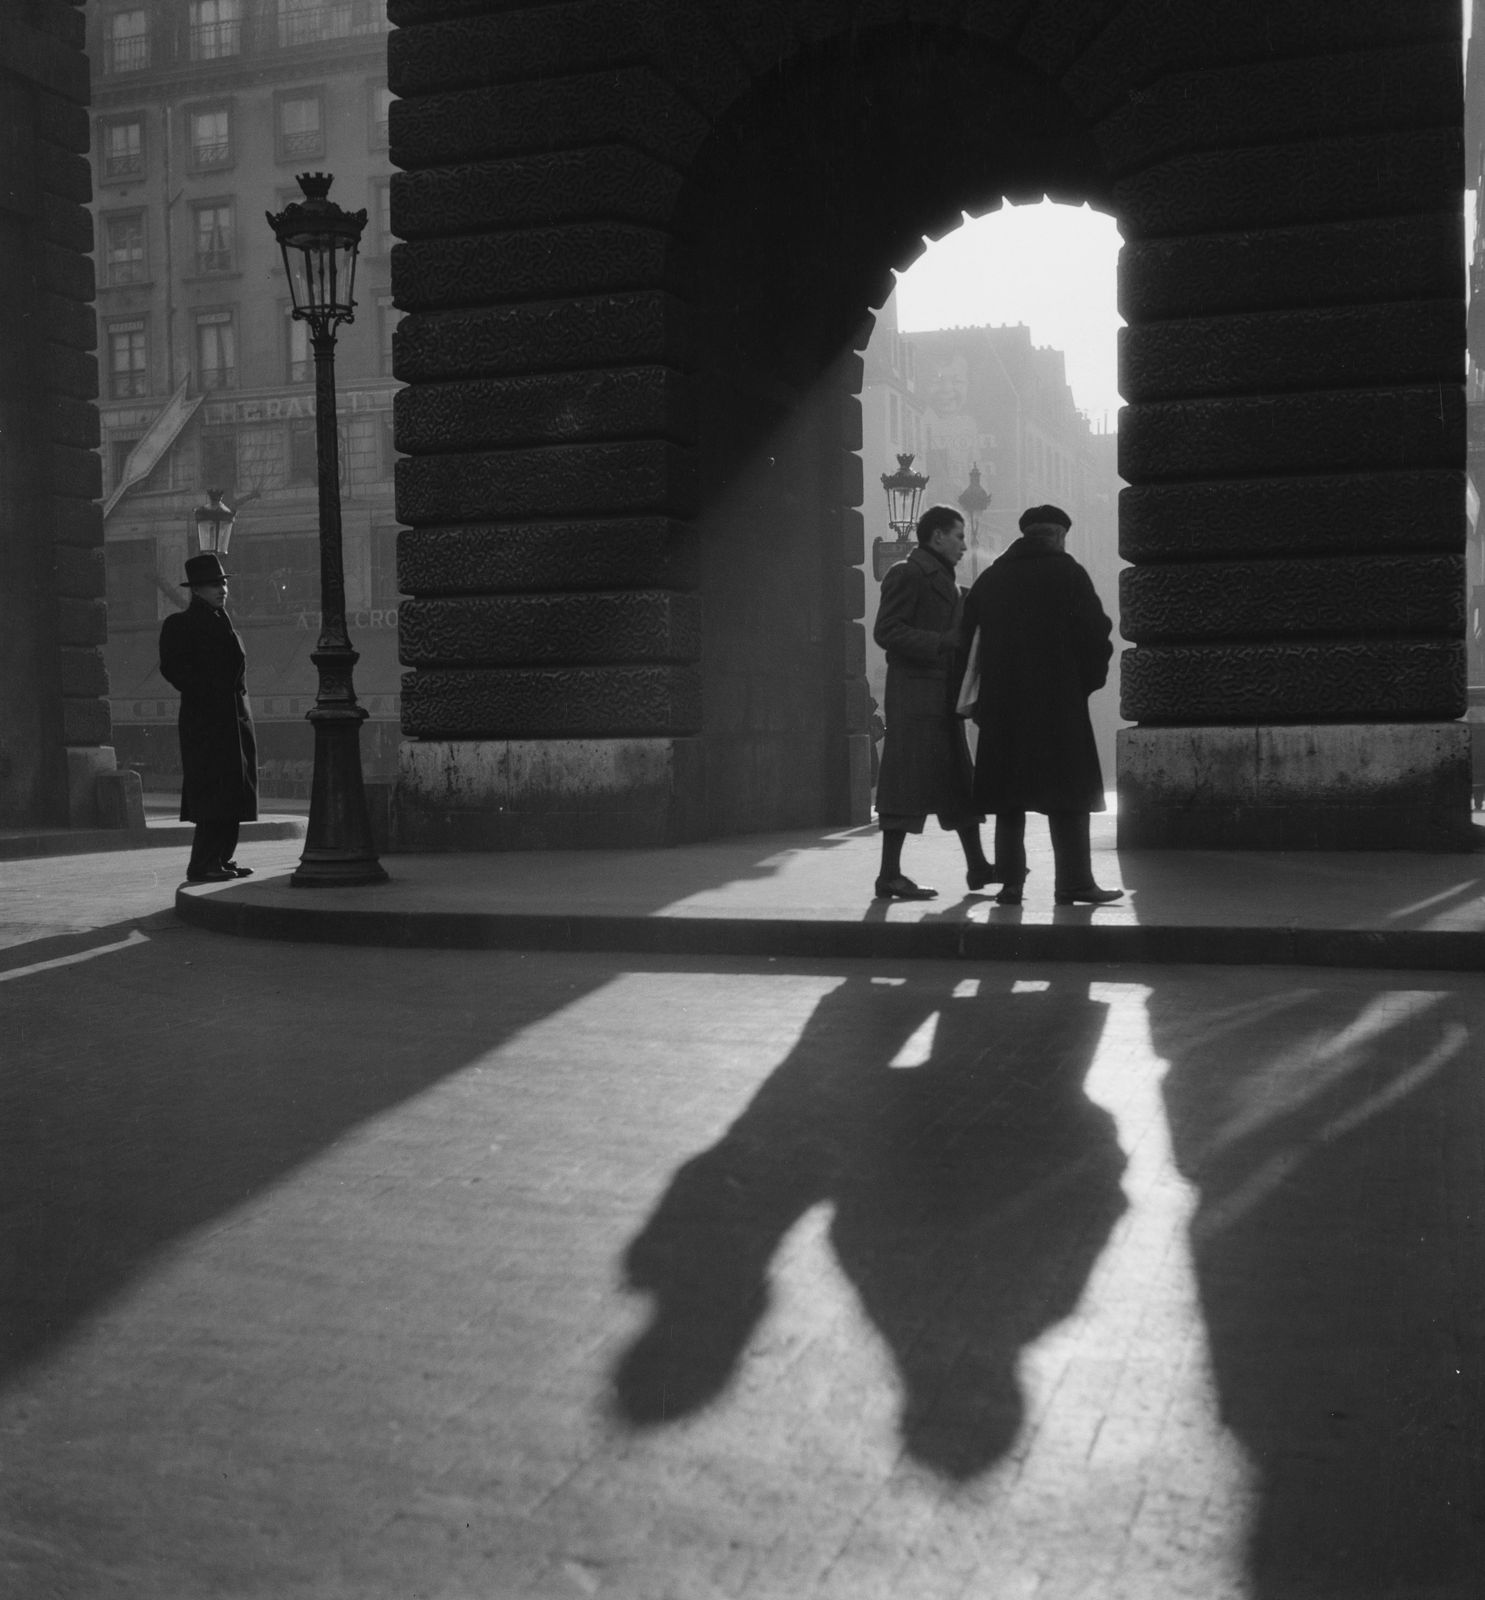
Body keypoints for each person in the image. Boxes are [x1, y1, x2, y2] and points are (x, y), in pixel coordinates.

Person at [961, 504, 1121, 907]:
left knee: (1008, 801)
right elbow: (1097, 634)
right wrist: (1082, 684)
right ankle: (1073, 882)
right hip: (1058, 705)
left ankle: (1011, 884)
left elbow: (966, 645)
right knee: (1068, 798)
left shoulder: (991, 580)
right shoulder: (1068, 573)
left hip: (1003, 707)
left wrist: (983, 701)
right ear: (1058, 535)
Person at [871, 503, 996, 900]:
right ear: (937, 536)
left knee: (959, 783)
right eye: (958, 536)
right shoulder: (907, 573)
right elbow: (887, 630)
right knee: (905, 786)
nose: (964, 544)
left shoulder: (944, 580)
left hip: (939, 698)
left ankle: (977, 867)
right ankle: (889, 874)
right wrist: (942, 642)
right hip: (914, 698)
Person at [159, 551, 259, 883]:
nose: (221, 589)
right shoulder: (181, 624)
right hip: (207, 723)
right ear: (196, 589)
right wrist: (208, 693)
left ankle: (221, 858)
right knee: (213, 793)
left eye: (222, 583)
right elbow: (173, 669)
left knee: (232, 792)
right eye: (213, 584)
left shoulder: (223, 620)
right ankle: (203, 863)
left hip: (233, 721)